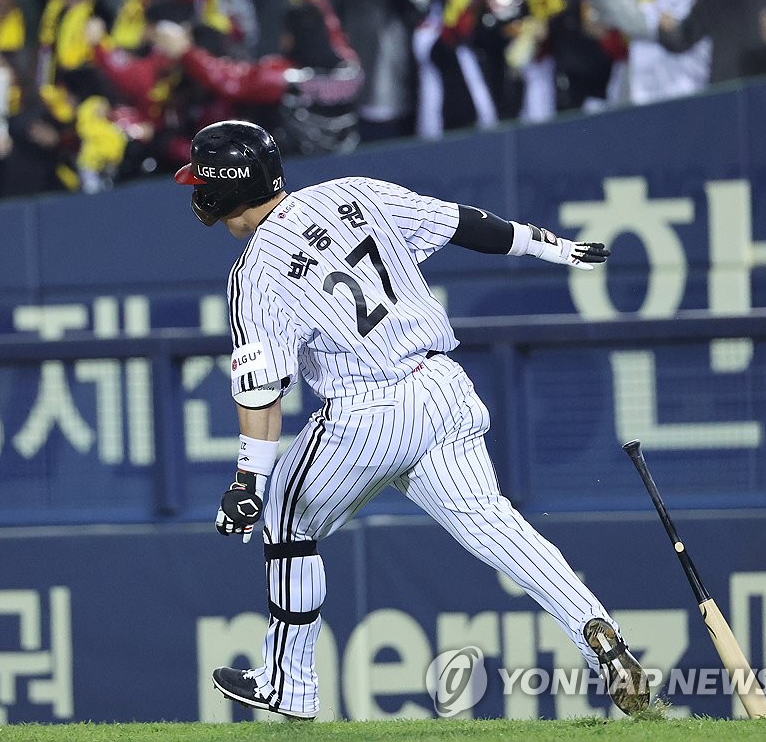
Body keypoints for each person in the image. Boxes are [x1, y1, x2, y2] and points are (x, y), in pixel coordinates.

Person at [174, 119, 650, 720]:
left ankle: (288, 684)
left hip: (365, 412)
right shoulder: (351, 192)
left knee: (285, 516)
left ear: (222, 191)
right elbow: (462, 223)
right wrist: (546, 245)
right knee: (498, 528)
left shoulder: (256, 270)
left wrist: (248, 480)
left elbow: (262, 388)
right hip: (442, 388)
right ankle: (595, 630)